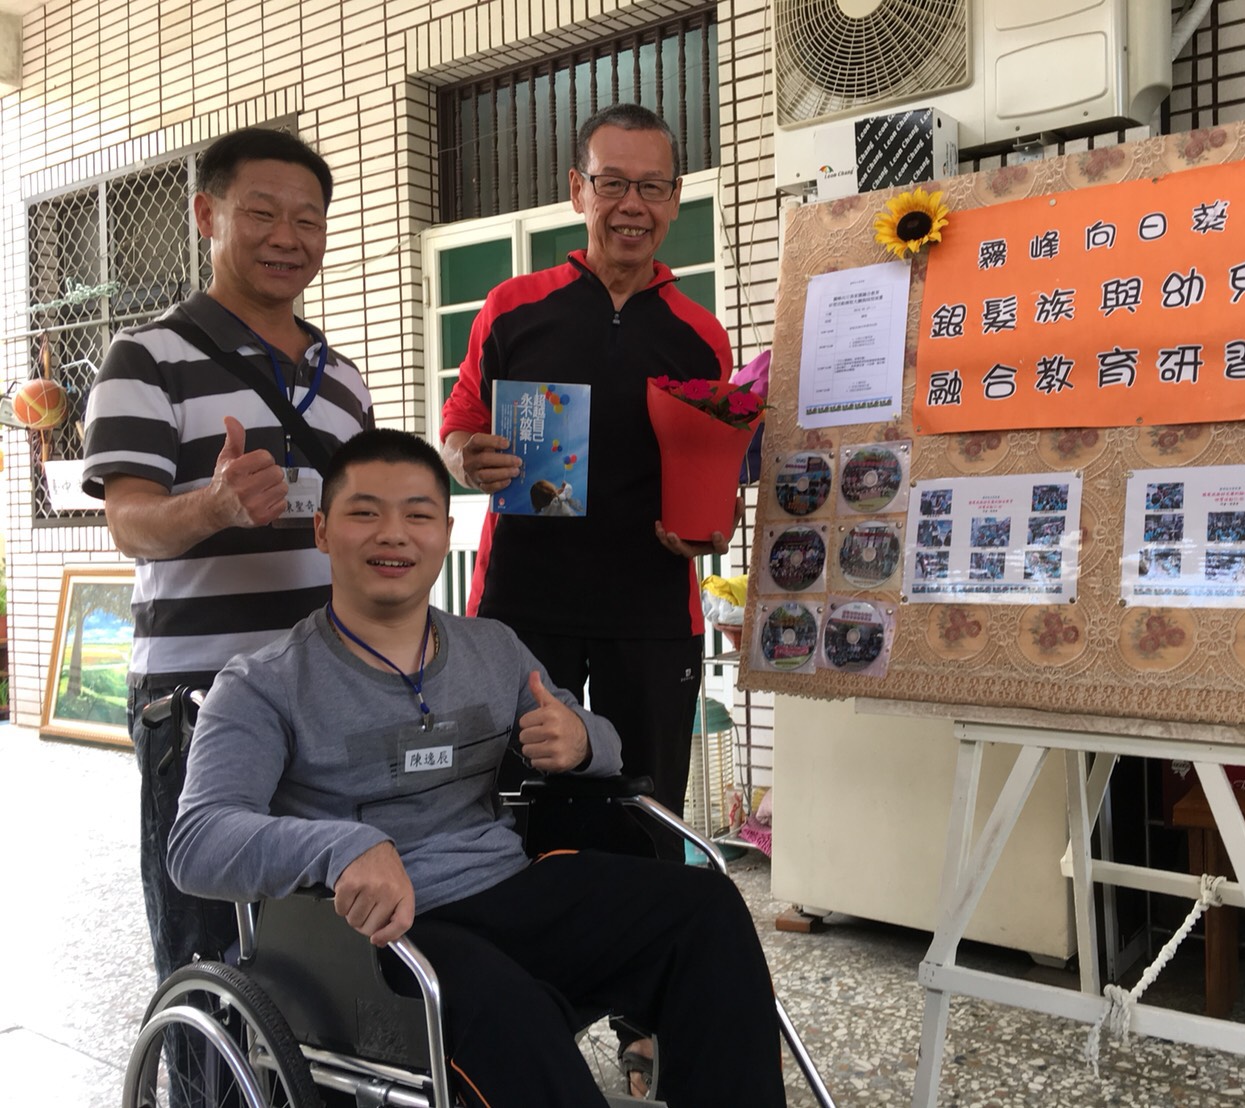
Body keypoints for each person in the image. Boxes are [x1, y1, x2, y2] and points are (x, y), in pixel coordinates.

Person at [167, 429, 787, 1107]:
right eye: (365, 512)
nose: (393, 534)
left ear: (445, 532)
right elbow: (198, 841)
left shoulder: (492, 649)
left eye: (418, 514)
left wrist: (580, 739)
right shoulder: (265, 683)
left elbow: (604, 742)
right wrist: (339, 847)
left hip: (505, 889)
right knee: (510, 1013)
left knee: (704, 911)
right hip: (372, 938)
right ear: (322, 530)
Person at [81, 126, 374, 989]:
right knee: (209, 944)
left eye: (308, 220)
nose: (289, 237)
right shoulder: (145, 359)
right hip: (199, 700)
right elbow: (129, 524)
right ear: (207, 215)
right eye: (262, 213)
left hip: (329, 695)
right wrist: (213, 507)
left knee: (327, 943)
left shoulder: (343, 378)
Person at [439, 103, 733, 854]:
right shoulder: (512, 309)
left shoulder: (701, 336)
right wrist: (464, 455)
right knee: (518, 811)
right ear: (578, 190)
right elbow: (458, 422)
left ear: (675, 198)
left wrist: (715, 525)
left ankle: (641, 925)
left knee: (646, 810)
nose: (633, 205)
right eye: (612, 183)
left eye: (653, 186)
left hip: (653, 609)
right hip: (524, 606)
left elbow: (714, 462)